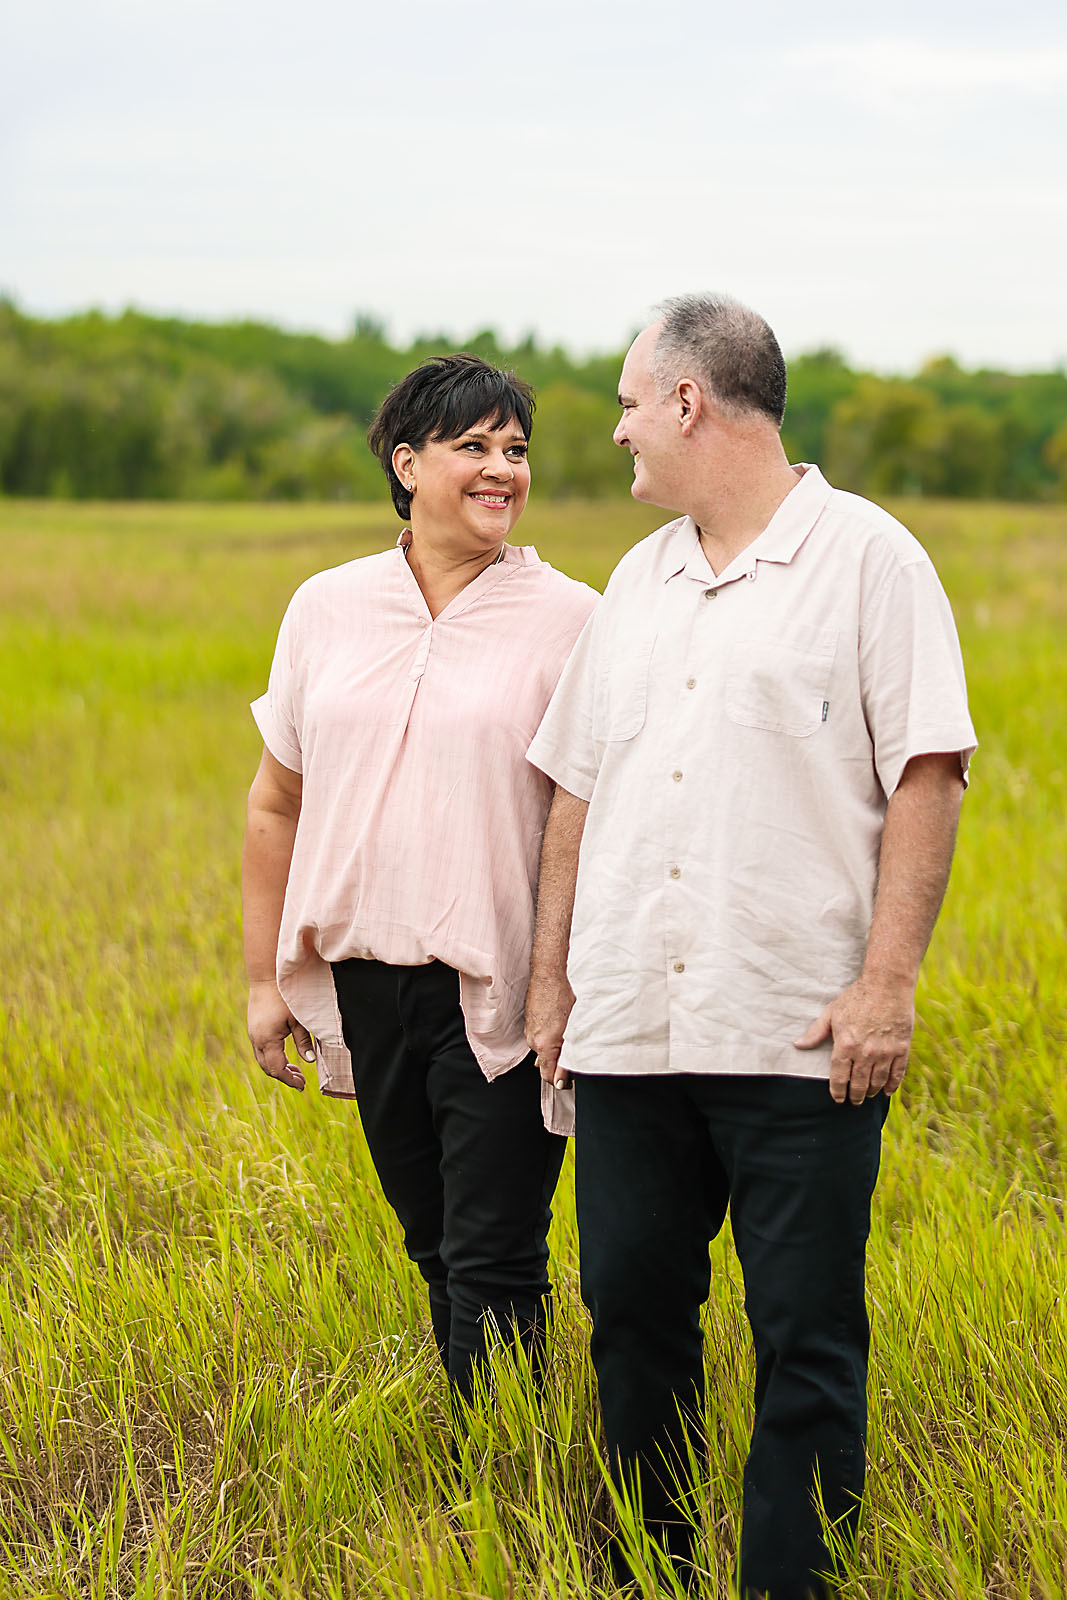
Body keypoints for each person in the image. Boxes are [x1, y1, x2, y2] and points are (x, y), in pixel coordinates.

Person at [525, 295, 976, 1598]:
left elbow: (926, 776)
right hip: (628, 1035)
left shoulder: (868, 560)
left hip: (793, 1034)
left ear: (686, 404)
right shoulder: (638, 579)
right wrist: (554, 980)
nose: (611, 429)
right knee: (630, 1329)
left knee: (805, 1347)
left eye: (624, 401)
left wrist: (883, 988)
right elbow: (576, 791)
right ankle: (643, 1577)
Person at [242, 354, 597, 1402]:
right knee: (433, 1244)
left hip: (497, 984)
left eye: (516, 450)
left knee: (493, 1260)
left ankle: (498, 1484)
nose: (502, 469)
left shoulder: (571, 618)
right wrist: (265, 980)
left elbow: (597, 816)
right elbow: (275, 801)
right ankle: (496, 1453)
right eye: (474, 446)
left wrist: (564, 982)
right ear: (406, 462)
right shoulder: (327, 606)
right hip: (362, 978)